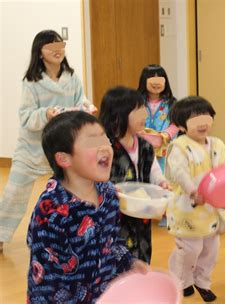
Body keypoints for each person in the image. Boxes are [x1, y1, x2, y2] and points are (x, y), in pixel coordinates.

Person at [27, 111, 147, 303]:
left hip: (103, 294)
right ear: (64, 159)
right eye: (92, 143)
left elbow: (112, 240)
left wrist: (129, 262)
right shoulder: (52, 211)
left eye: (106, 139)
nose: (106, 148)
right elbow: (48, 278)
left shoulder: (108, 193)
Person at [0, 30, 92, 252]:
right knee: (14, 193)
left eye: (60, 46)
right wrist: (46, 114)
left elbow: (82, 102)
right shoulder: (32, 82)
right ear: (40, 53)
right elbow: (26, 117)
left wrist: (87, 108)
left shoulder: (72, 79)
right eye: (51, 47)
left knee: (72, 193)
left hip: (61, 148)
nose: (57, 51)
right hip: (31, 149)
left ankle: (71, 235)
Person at [165, 96, 225, 302]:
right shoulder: (179, 146)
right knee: (190, 249)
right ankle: (181, 280)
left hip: (212, 208)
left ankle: (202, 282)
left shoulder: (218, 144)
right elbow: (179, 172)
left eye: (206, 116)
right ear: (182, 125)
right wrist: (193, 191)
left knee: (211, 250)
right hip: (188, 208)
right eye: (194, 118)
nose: (202, 122)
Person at [99, 86, 169, 264]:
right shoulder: (106, 147)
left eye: (144, 108)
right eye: (138, 110)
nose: (144, 114)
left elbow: (153, 169)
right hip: (115, 216)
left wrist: (161, 182)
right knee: (119, 255)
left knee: (142, 250)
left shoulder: (144, 145)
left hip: (141, 212)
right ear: (118, 115)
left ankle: (140, 280)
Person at [137, 64, 179, 170]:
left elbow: (176, 123)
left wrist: (166, 135)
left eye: (159, 79)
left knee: (163, 176)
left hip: (165, 147)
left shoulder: (171, 103)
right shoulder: (137, 102)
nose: (156, 83)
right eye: (152, 79)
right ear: (144, 81)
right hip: (141, 144)